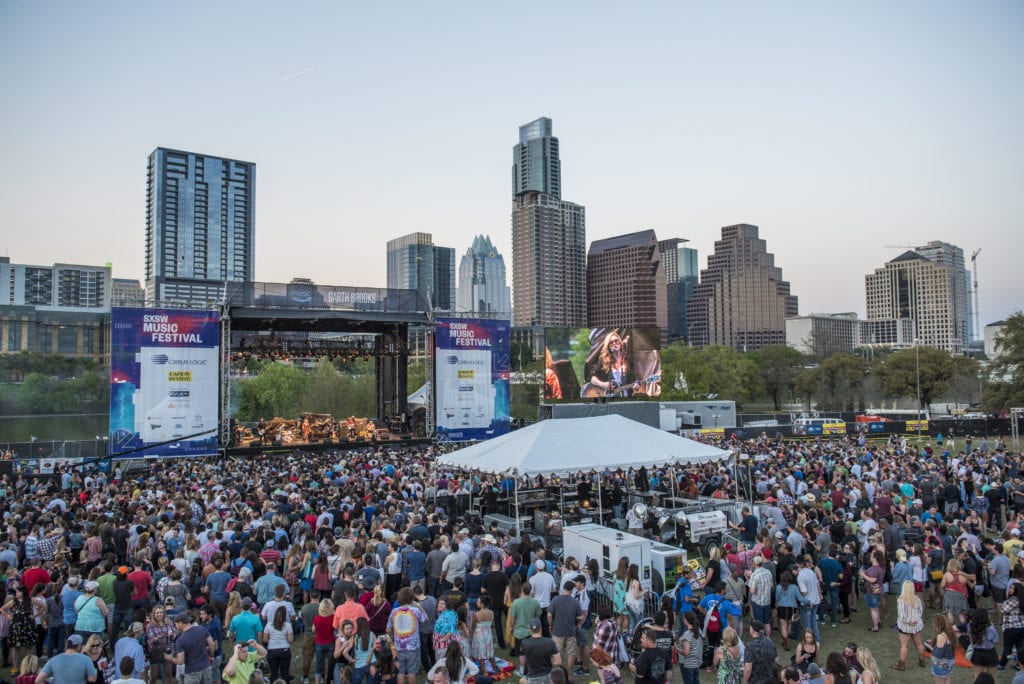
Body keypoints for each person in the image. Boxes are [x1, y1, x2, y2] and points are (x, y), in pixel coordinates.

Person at [387, 587, 426, 684]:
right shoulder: (415, 610)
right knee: (412, 672)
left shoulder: (394, 611)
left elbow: (388, 629)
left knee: (401, 671)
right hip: (413, 646)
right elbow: (426, 619)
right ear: (411, 597)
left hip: (399, 646)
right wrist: (419, 606)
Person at [894, 579, 927, 670]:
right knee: (919, 643)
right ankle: (922, 661)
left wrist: (909, 622)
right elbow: (920, 612)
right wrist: (915, 620)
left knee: (904, 645)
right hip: (917, 624)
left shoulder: (901, 600)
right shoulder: (917, 599)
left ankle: (901, 665)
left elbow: (901, 616)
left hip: (905, 626)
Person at [262, 604, 294, 683]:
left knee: (273, 674)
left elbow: (264, 639)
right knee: (285, 673)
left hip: (272, 651)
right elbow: (291, 639)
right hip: (285, 650)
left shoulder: (268, 625)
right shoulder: (288, 625)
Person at [521, 618, 560, 682]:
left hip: (532, 677)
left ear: (530, 629)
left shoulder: (525, 643)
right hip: (548, 675)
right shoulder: (550, 642)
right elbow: (558, 662)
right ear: (541, 628)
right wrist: (549, 662)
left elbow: (522, 650)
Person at [967, 608, 998, 676]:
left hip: (977, 653)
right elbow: (995, 640)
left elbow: (970, 638)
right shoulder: (990, 629)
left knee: (977, 677)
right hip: (990, 653)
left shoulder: (970, 626)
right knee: (992, 678)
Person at [926, 614, 956, 684]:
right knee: (947, 679)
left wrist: (930, 647)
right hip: (949, 663)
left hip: (940, 665)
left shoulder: (941, 636)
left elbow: (938, 654)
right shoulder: (949, 633)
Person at [675, 611, 703, 684]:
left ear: (686, 620)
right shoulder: (699, 631)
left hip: (687, 664)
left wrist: (677, 648)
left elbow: (686, 652)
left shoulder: (687, 634)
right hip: (696, 663)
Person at [313, 599, 336, 684]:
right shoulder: (333, 618)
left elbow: (313, 629)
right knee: (331, 665)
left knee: (319, 666)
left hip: (319, 643)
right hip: (330, 642)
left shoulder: (317, 618)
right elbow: (336, 627)